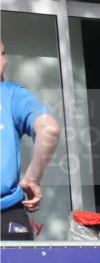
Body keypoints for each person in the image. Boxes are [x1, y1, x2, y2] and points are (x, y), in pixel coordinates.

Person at [1, 40, 61, 241]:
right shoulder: (10, 95)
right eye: (0, 55)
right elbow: (49, 129)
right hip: (7, 218)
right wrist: (32, 179)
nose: (5, 62)